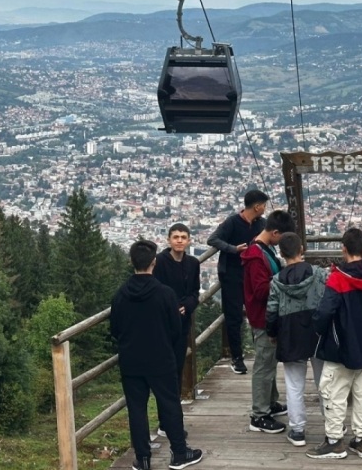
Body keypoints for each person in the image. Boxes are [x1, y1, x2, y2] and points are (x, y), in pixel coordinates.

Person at [109, 240, 203, 470]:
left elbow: (115, 329)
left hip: (131, 360)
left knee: (137, 409)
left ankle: (142, 459)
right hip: (161, 357)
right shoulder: (165, 294)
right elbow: (175, 328)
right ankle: (179, 453)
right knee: (170, 404)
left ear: (131, 262)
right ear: (154, 263)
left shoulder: (120, 295)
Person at [306, 228, 362, 460]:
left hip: (340, 344)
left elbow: (326, 310)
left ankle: (333, 441)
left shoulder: (338, 277)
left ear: (343, 248)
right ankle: (361, 440)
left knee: (333, 392)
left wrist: (318, 329)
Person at [266, 232, 329, 447]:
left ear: (282, 254)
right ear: (301, 250)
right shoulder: (319, 273)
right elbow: (330, 300)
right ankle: (332, 424)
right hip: (318, 331)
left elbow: (271, 311)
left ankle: (298, 430)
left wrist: (272, 333)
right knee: (326, 383)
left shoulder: (276, 281)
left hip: (290, 333)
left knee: (294, 385)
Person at [242, 209, 296, 434]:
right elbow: (261, 289)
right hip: (262, 316)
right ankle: (259, 414)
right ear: (275, 233)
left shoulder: (264, 248)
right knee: (264, 365)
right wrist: (284, 279)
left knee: (270, 362)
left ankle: (270, 402)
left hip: (268, 315)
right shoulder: (256, 257)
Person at [207, 189, 269, 375]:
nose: (265, 208)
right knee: (234, 317)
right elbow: (213, 239)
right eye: (264, 205)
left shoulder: (261, 224)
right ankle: (237, 357)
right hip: (232, 274)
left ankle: (260, 354)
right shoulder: (233, 222)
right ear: (257, 206)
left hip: (252, 274)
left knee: (256, 313)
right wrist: (233, 249)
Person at [152, 223, 200, 398]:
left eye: (183, 237)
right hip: (163, 322)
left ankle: (175, 407)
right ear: (169, 240)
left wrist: (187, 306)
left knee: (178, 365)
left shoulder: (193, 263)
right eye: (176, 237)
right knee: (165, 367)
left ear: (188, 241)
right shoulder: (159, 262)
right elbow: (156, 289)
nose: (179, 241)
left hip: (183, 321)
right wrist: (171, 307)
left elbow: (195, 292)